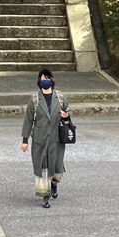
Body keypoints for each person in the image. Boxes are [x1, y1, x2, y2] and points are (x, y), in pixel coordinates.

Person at [20, 68, 69, 209]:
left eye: (47, 78)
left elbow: (68, 114)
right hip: (39, 140)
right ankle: (45, 196)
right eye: (42, 79)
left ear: (52, 80)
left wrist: (66, 116)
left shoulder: (60, 97)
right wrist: (25, 140)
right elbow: (28, 121)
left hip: (56, 139)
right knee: (43, 169)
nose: (44, 81)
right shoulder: (34, 100)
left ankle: (54, 183)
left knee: (58, 169)